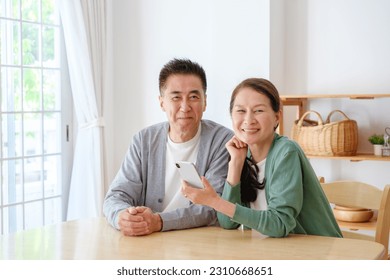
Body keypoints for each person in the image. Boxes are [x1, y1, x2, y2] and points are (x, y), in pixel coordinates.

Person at [182, 78, 342, 238]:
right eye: (240, 111)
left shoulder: (286, 152)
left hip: (320, 252)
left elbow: (279, 224)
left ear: (277, 117)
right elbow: (228, 223)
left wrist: (215, 201)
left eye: (258, 110)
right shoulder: (243, 154)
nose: (249, 120)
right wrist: (235, 164)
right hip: (281, 252)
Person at [103, 58, 234, 236]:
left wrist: (159, 221)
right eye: (176, 97)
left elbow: (213, 206)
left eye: (194, 97)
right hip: (149, 240)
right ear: (162, 102)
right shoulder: (144, 140)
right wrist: (123, 217)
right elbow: (116, 195)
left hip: (200, 241)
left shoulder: (222, 141)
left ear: (205, 102)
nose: (185, 107)